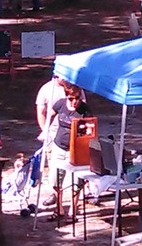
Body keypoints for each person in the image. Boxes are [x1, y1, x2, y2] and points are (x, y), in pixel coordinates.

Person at [46, 83, 92, 218]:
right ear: (66, 97)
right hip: (59, 146)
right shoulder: (60, 104)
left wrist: (87, 131)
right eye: (71, 99)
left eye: (77, 98)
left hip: (76, 149)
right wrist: (45, 131)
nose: (75, 101)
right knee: (55, 179)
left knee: (76, 182)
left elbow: (91, 127)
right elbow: (49, 115)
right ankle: (59, 209)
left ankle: (73, 211)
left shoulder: (84, 109)